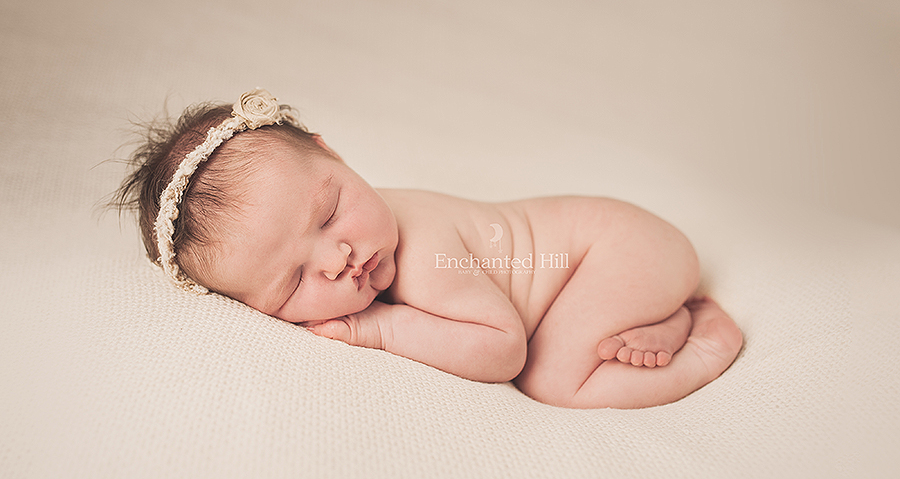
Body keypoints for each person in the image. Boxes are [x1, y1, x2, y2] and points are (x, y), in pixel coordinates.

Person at [114, 89, 742, 409]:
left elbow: (502, 350)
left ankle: (705, 345)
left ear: (332, 152)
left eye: (330, 213)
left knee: (553, 378)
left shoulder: (422, 253)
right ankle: (666, 314)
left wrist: (381, 330)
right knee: (574, 343)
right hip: (609, 266)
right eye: (295, 281)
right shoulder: (363, 226)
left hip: (619, 250)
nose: (338, 258)